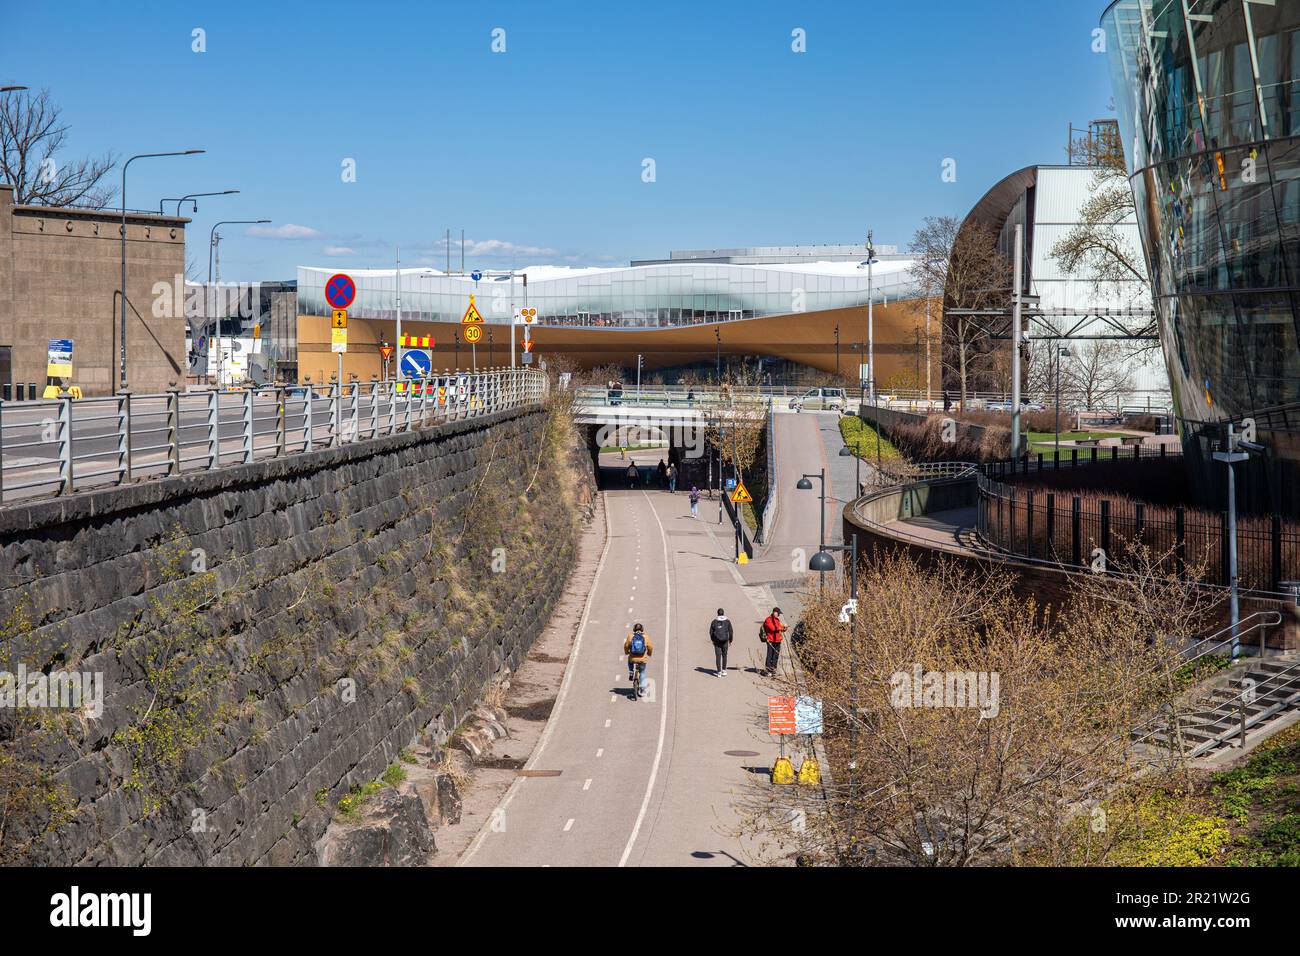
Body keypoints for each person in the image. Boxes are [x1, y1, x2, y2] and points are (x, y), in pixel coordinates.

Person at [624, 623, 653, 699]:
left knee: (630, 660)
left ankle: (631, 672)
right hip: (642, 659)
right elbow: (650, 647)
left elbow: (626, 646)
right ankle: (642, 688)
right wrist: (649, 654)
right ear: (642, 629)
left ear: (634, 629)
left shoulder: (630, 637)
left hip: (633, 657)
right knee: (642, 672)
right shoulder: (646, 637)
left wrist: (627, 652)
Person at [760, 607, 788, 677]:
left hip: (778, 640)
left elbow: (779, 629)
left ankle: (773, 670)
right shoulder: (768, 620)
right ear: (775, 612)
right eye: (778, 613)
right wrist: (782, 627)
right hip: (771, 640)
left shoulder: (777, 620)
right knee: (770, 655)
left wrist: (785, 628)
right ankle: (767, 669)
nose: (779, 615)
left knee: (776, 656)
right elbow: (773, 628)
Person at [709, 608, 734, 677]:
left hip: (717, 641)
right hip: (725, 641)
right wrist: (730, 640)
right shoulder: (727, 621)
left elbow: (710, 632)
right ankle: (724, 670)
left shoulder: (714, 621)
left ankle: (719, 672)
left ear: (717, 613)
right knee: (724, 655)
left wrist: (713, 640)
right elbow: (731, 631)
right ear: (723, 613)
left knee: (718, 656)